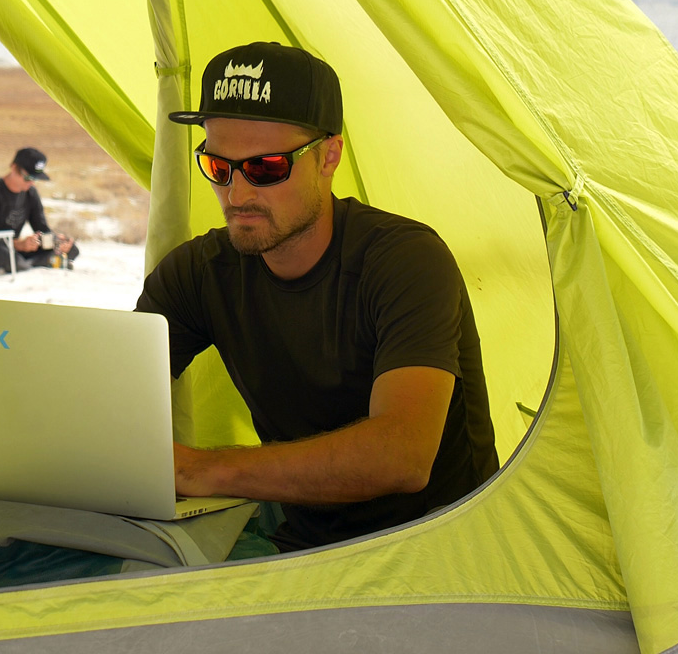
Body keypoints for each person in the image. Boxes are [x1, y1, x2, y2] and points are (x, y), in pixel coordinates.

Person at [136, 42, 499, 552]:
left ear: (329, 157)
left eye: (265, 168)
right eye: (218, 167)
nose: (237, 195)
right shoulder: (198, 274)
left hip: (446, 554)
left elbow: (402, 455)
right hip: (303, 551)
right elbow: (107, 406)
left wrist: (206, 468)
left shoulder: (404, 260)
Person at [0, 147, 79, 273]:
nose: (32, 183)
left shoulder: (30, 193)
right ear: (14, 167)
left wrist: (56, 241)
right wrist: (19, 244)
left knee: (72, 250)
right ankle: (33, 263)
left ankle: (27, 264)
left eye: (35, 178)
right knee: (4, 256)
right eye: (28, 177)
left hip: (13, 250)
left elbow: (41, 228)